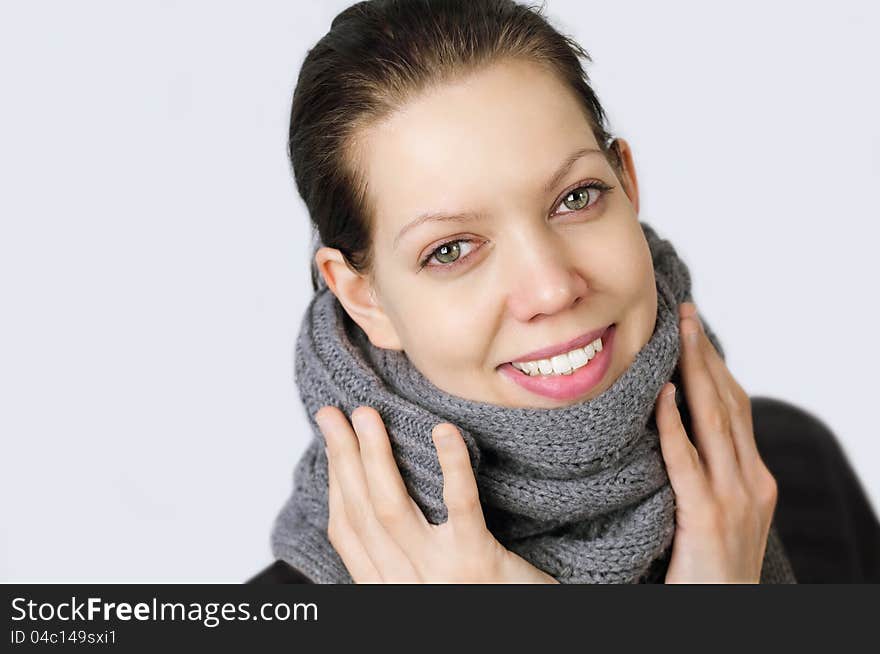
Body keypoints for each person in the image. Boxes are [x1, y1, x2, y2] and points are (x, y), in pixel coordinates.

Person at [249, 0, 879, 584]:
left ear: (627, 185)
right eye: (451, 249)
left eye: (574, 198)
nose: (551, 289)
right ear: (366, 299)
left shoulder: (791, 472)